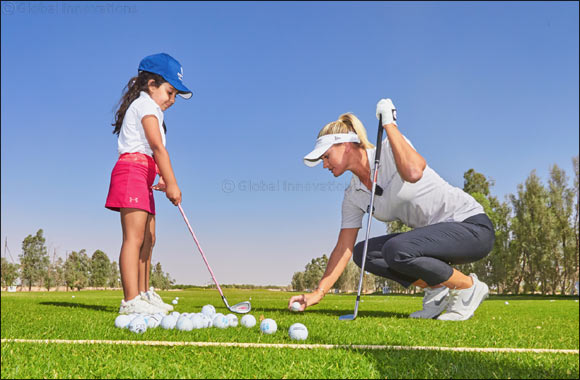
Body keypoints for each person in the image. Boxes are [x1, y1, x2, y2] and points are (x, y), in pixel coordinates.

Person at [289, 98, 495, 321]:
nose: (325, 165)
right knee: (364, 252)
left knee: (396, 249)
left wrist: (389, 123)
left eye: (326, 156)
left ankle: (468, 286)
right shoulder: (353, 194)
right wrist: (318, 293)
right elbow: (344, 248)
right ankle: (436, 288)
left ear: (346, 145)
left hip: (472, 228)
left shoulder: (390, 149)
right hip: (435, 244)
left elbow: (414, 172)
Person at [105, 53, 192, 315]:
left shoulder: (152, 108)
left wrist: (162, 177)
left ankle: (143, 294)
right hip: (132, 171)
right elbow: (156, 146)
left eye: (176, 94)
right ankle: (130, 301)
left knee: (149, 238)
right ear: (151, 84)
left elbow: (153, 151)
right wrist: (173, 183)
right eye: (170, 91)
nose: (172, 100)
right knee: (134, 237)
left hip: (144, 174)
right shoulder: (146, 106)